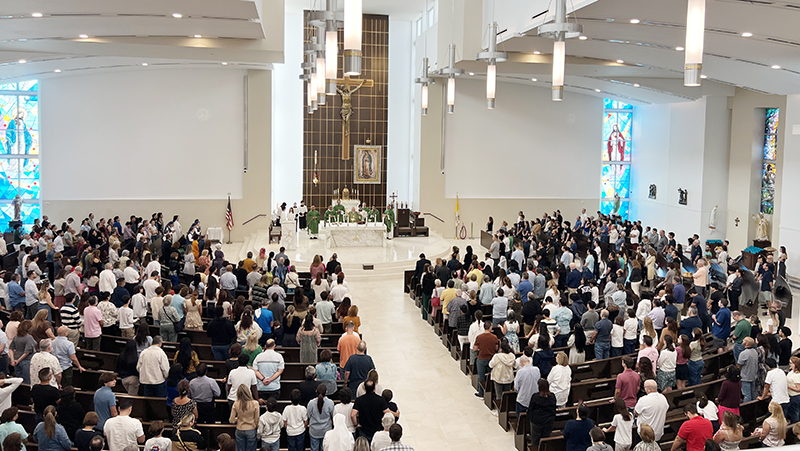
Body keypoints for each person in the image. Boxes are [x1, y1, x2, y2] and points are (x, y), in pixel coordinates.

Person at [229, 385, 259, 451]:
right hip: (251, 428)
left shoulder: (236, 403)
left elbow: (231, 420)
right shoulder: (255, 403)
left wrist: (238, 418)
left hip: (240, 428)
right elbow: (257, 420)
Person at [307, 384, 334, 451]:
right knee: (324, 449)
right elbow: (332, 416)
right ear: (326, 392)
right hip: (326, 430)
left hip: (314, 430)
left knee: (314, 448)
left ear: (316, 391)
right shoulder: (330, 403)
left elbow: (308, 415)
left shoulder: (311, 403)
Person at [514, 355, 540, 421]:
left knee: (520, 417)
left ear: (521, 363)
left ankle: (521, 427)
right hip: (535, 397)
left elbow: (516, 387)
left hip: (523, 399)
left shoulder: (520, 372)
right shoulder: (537, 369)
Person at [737, 337, 758, 403]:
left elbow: (739, 365)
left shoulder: (744, 353)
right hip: (753, 375)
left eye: (743, 340)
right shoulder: (755, 351)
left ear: (746, 343)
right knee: (753, 394)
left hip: (745, 377)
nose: (742, 341)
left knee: (747, 395)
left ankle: (747, 409)